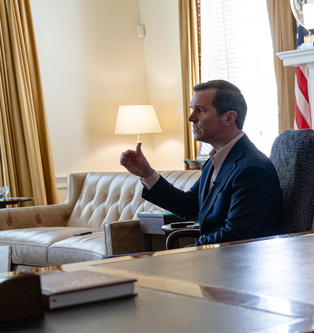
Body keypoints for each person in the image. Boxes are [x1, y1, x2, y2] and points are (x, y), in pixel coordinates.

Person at [119, 80, 282, 246]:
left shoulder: (252, 169)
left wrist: (184, 253)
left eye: (200, 110)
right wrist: (147, 174)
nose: (191, 118)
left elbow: (235, 236)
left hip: (231, 265)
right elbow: (188, 206)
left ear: (229, 117)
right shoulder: (215, 161)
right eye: (192, 109)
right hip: (210, 259)